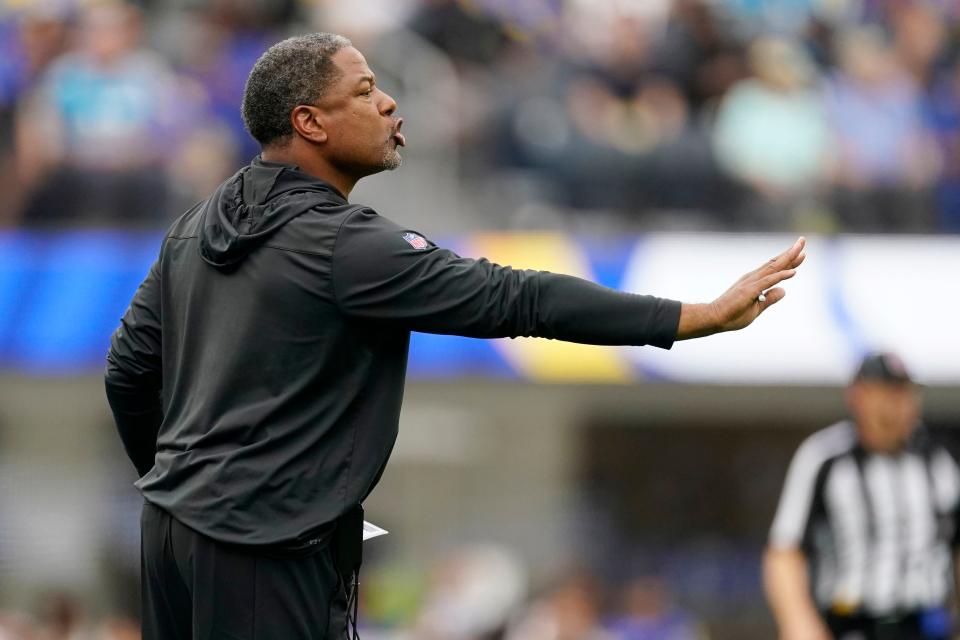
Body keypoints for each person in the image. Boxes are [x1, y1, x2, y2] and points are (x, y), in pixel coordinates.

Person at [104, 33, 805, 640]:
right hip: (259, 542)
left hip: (171, 536)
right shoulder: (342, 245)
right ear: (310, 123)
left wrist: (181, 485)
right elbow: (516, 298)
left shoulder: (195, 227)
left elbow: (129, 371)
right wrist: (689, 318)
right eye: (367, 91)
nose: (389, 105)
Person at [764, 352, 960, 640]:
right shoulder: (825, 457)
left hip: (926, 624)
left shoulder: (940, 461)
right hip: (850, 624)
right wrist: (799, 622)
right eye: (885, 393)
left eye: (904, 394)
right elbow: (784, 552)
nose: (897, 406)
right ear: (858, 397)